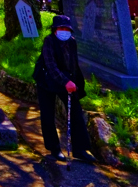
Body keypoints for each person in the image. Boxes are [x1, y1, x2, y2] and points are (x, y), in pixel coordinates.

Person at [32, 15, 95, 163]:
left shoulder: (72, 42)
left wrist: (73, 82)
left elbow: (73, 64)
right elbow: (50, 65)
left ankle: (80, 149)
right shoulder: (49, 41)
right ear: (55, 30)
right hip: (46, 80)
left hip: (65, 80)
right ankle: (54, 148)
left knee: (75, 112)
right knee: (48, 115)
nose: (64, 31)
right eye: (61, 28)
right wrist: (65, 81)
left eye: (67, 29)